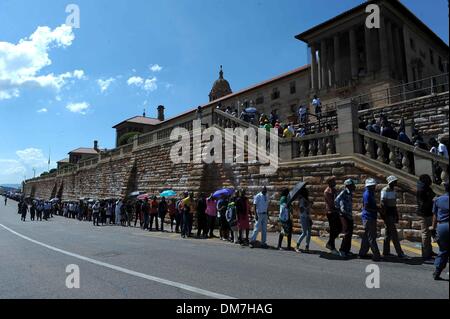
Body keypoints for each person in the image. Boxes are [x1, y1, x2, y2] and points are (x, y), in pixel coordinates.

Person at [381, 176, 407, 259]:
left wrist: (396, 214)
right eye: (394, 182)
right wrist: (385, 215)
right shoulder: (385, 190)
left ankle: (386, 251)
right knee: (394, 234)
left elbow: (394, 204)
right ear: (390, 182)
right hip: (388, 213)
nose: (396, 183)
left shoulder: (393, 190)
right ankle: (400, 253)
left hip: (392, 212)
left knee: (388, 234)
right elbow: (383, 203)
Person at [358, 178, 382, 262]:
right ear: (370, 186)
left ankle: (362, 253)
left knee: (366, 236)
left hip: (369, 217)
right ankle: (376, 255)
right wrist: (377, 209)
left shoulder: (370, 193)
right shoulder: (367, 194)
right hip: (369, 217)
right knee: (371, 236)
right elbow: (367, 206)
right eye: (373, 185)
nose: (375, 187)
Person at [431, 182, 449, 280]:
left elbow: (435, 216)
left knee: (443, 250)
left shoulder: (438, 199)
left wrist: (433, 228)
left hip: (442, 226)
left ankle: (437, 271)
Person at [417, 174, 437, 261]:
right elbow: (424, 203)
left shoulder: (426, 189)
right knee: (425, 234)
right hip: (424, 214)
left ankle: (429, 251)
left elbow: (433, 196)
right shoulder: (422, 190)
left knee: (428, 233)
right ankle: (425, 254)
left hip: (428, 213)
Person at [335, 179, 356, 258]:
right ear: (348, 185)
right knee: (347, 233)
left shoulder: (350, 193)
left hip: (349, 214)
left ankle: (347, 250)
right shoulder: (344, 192)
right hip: (344, 215)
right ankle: (342, 250)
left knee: (350, 233)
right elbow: (336, 200)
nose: (354, 186)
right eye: (352, 185)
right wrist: (340, 210)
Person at [324, 176, 341, 255]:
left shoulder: (334, 190)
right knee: (333, 230)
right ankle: (332, 246)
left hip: (336, 212)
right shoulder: (327, 191)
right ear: (330, 182)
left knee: (340, 228)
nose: (335, 182)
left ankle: (330, 243)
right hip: (331, 212)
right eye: (334, 181)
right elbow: (331, 203)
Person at [295, 187, 312, 253]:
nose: (308, 192)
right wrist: (308, 206)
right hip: (303, 217)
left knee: (309, 232)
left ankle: (307, 247)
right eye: (306, 191)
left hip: (307, 217)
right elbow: (301, 210)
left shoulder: (305, 199)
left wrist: (309, 204)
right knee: (304, 232)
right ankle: (297, 246)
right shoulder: (302, 199)